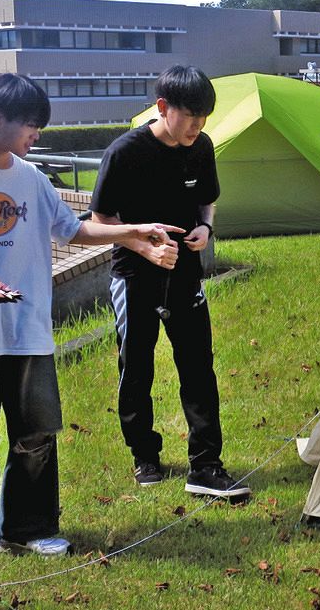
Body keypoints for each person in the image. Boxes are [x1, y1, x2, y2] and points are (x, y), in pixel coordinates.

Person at [0, 73, 183, 556]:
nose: (37, 136)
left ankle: (23, 531)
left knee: (36, 435)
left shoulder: (30, 178)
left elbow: (72, 230)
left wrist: (134, 229)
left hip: (26, 329)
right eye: (32, 125)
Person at [90, 65, 250, 499]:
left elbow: (207, 200)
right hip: (134, 274)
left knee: (198, 366)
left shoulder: (201, 146)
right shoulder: (125, 152)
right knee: (136, 367)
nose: (198, 128)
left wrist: (205, 228)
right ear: (163, 108)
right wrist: (144, 246)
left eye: (204, 120)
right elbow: (102, 219)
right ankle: (144, 453)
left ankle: (207, 464)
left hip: (185, 275)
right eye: (190, 118)